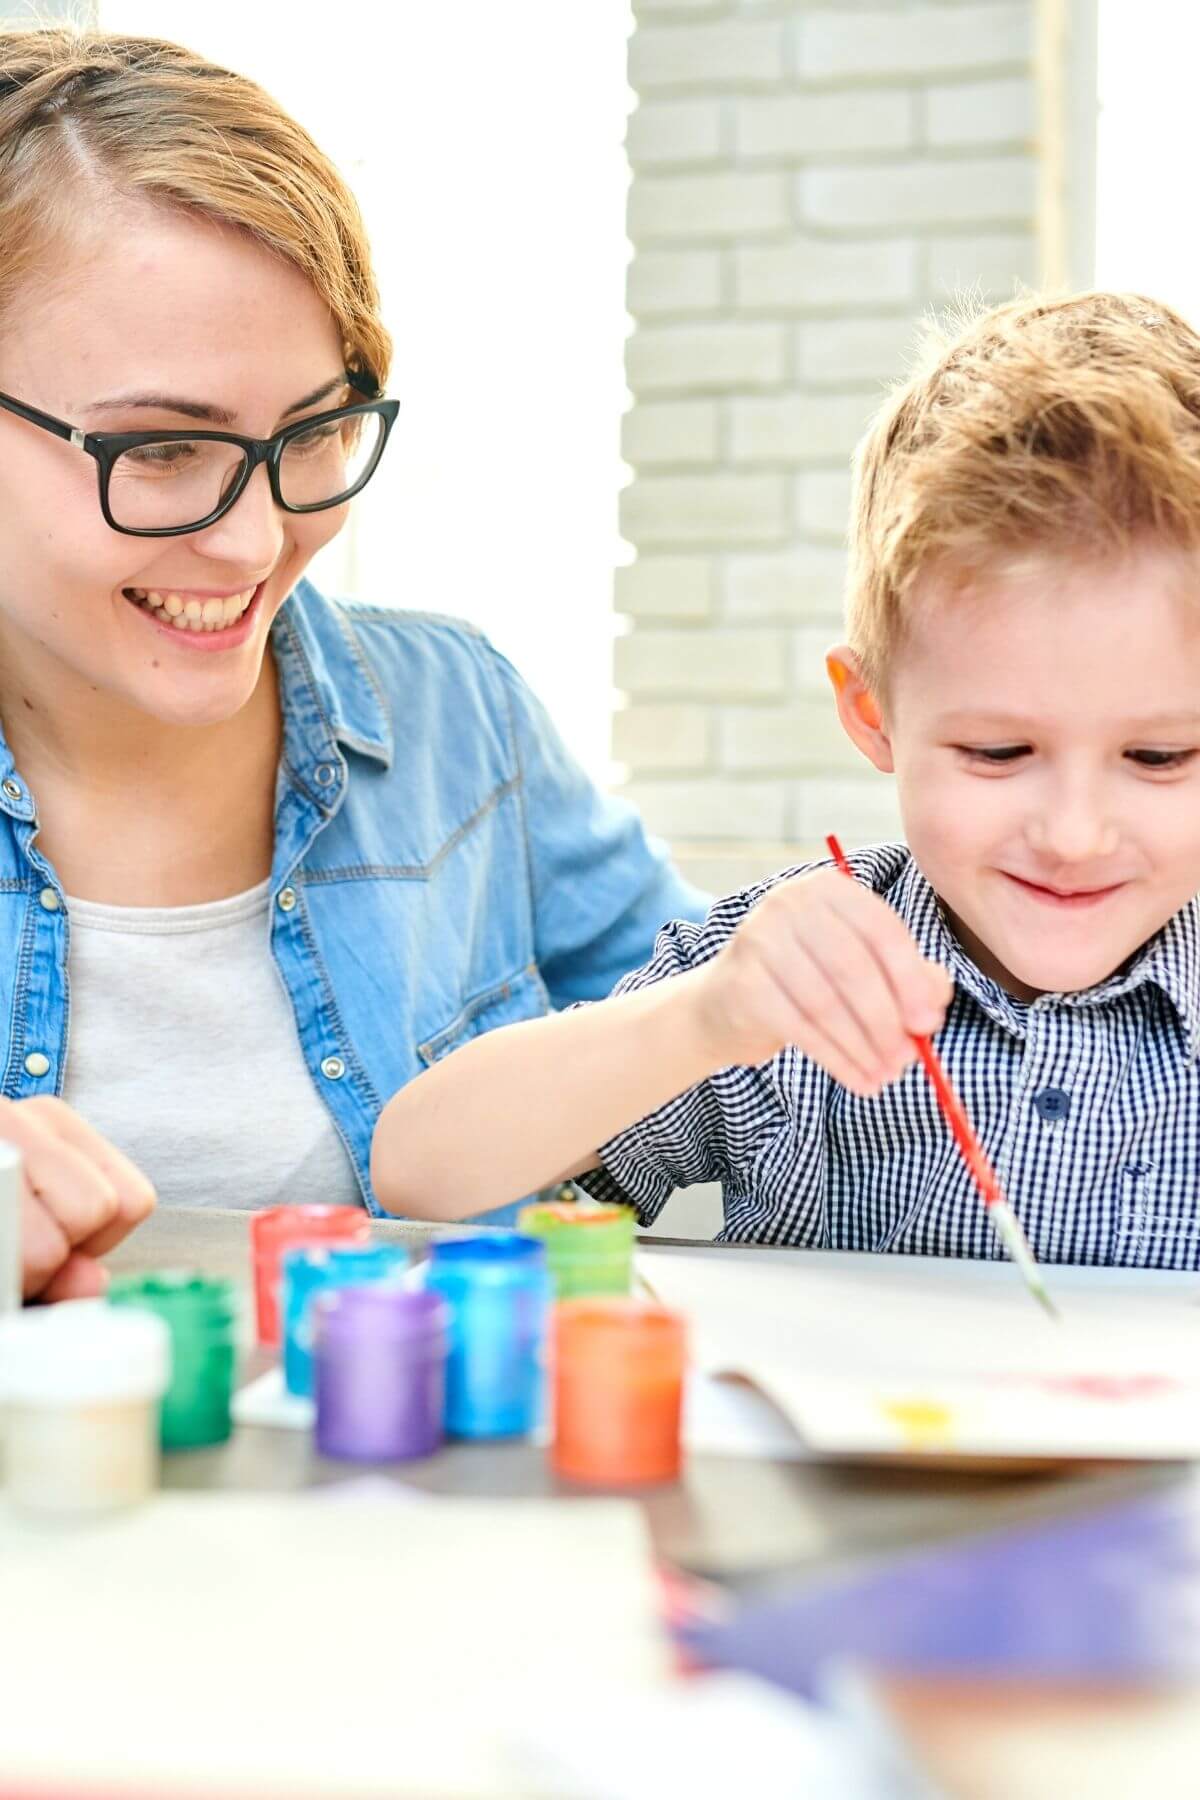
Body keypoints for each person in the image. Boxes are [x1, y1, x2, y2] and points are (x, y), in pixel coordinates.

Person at [0, 25, 705, 1301]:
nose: (258, 540)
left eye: (314, 430)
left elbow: (727, 1060)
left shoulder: (459, 719)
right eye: (160, 449)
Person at [376, 291, 1200, 1270]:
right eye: (997, 753)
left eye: (1158, 758)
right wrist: (705, 1016)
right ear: (871, 712)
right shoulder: (787, 978)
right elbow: (419, 1170)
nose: (1074, 834)